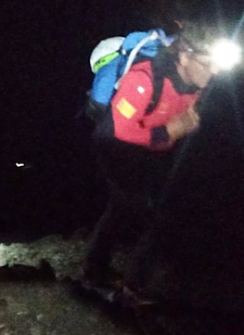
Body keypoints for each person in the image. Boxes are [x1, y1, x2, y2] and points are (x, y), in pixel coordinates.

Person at [83, 22, 222, 303]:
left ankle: (94, 271)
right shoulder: (144, 77)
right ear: (184, 56)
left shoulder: (196, 83)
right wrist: (168, 132)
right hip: (114, 147)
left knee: (123, 208)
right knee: (154, 215)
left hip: (148, 147)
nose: (215, 71)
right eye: (208, 63)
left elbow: (174, 120)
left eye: (217, 64)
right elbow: (113, 131)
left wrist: (178, 129)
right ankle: (133, 289)